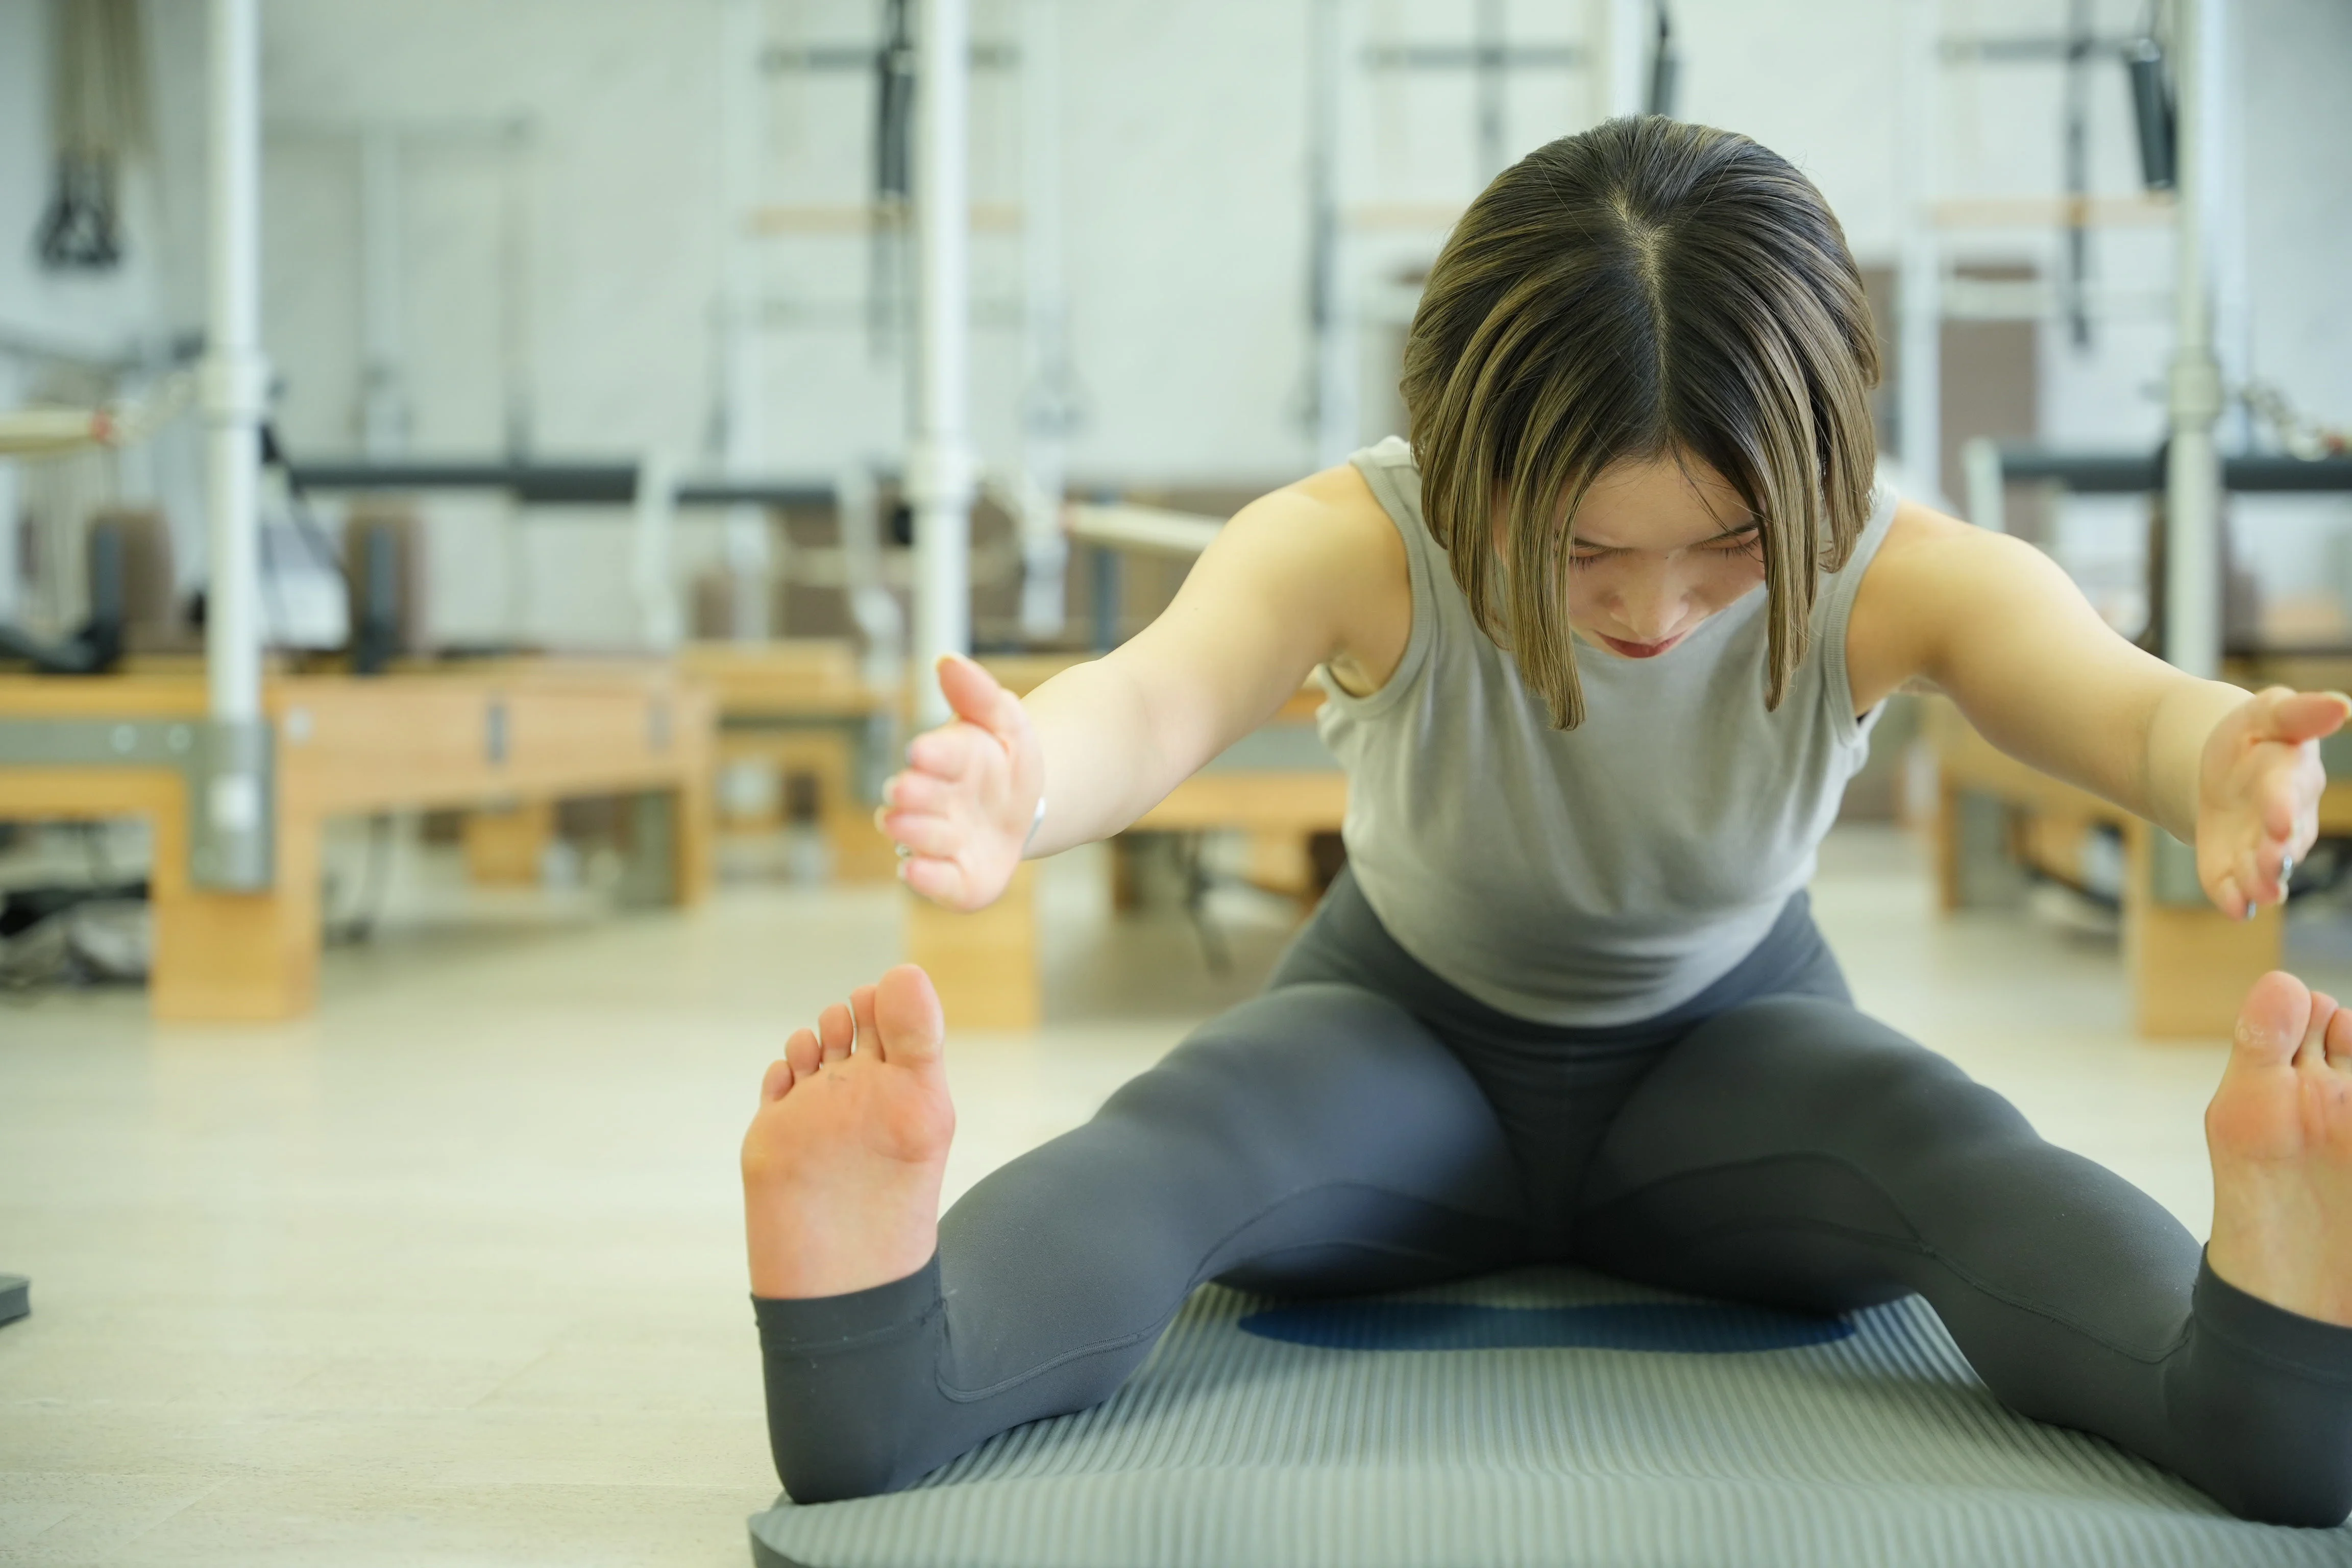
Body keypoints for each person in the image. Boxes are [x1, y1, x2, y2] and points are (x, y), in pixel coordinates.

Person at [740, 117, 2352, 1526]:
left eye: (1725, 546)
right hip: (1388, 1041)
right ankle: (876, 1353)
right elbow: (1160, 695)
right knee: (1169, 1154)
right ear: (1465, 470)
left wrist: (2213, 749)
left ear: (1809, 481)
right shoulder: (1357, 541)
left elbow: (2108, 693)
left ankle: (2266, 1369)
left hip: (1745, 1060)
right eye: (1583, 552)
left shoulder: (1893, 566)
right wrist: (1031, 782)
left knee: (1961, 1154)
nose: (1654, 607)